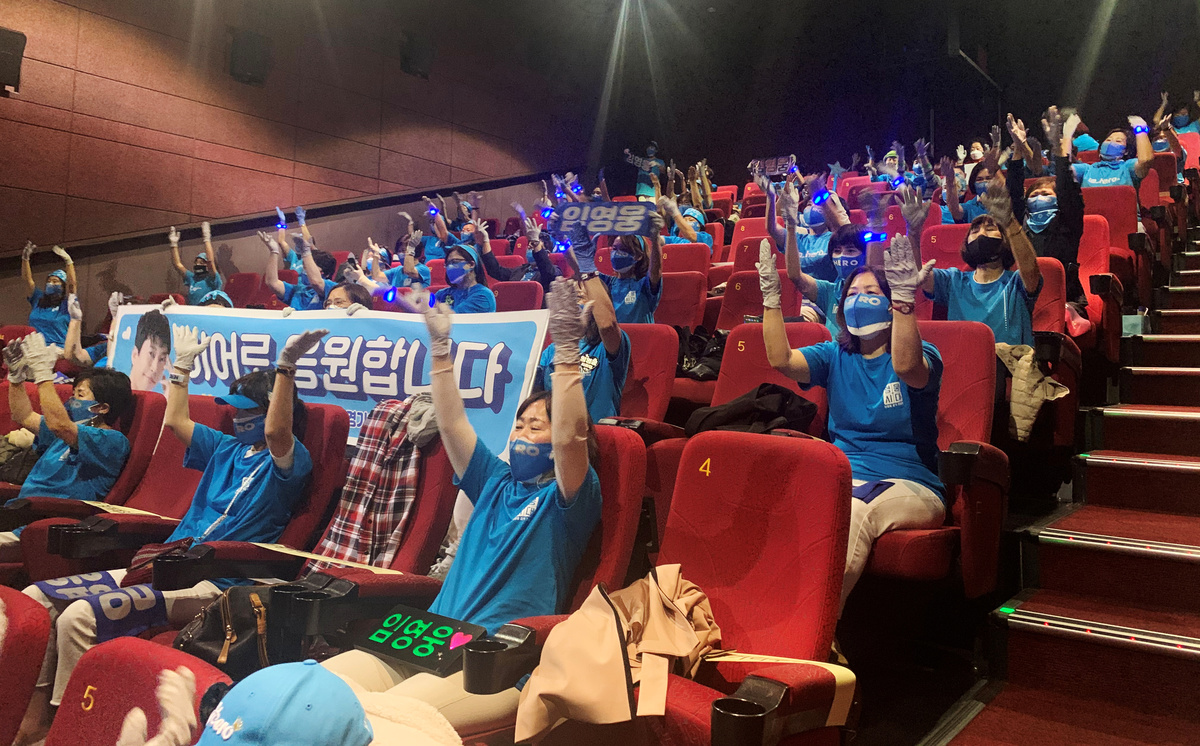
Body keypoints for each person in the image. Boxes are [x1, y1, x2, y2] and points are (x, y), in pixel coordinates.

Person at [15, 327, 324, 745]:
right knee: (37, 597)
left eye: (246, 410)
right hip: (163, 563)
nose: (236, 417)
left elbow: (275, 434)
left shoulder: (288, 461)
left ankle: (70, 728)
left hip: (215, 579)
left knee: (78, 618)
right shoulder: (226, 448)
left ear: (270, 410)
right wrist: (180, 369)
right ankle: (31, 718)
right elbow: (177, 420)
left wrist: (286, 368)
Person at [321, 279, 603, 733]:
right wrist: (440, 349)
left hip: (494, 658)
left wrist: (566, 352)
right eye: (519, 424)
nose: (520, 434)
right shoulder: (494, 479)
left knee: (380, 724)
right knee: (317, 692)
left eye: (536, 427)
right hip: (432, 637)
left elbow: (571, 437)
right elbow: (452, 422)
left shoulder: (569, 498)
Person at [758, 236, 945, 610]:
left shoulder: (922, 352)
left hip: (909, 481)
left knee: (854, 509)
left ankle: (815, 628)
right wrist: (771, 300)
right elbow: (781, 360)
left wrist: (905, 302)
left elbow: (907, 366)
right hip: (843, 473)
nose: (860, 299)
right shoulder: (834, 354)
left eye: (872, 292)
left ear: (890, 303)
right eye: (853, 293)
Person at [0, 334, 132, 562]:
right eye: (72, 394)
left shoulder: (112, 440)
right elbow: (24, 415)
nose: (71, 401)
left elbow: (59, 425)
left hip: (48, 525)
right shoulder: (67, 432)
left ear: (102, 408)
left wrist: (43, 375)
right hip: (17, 516)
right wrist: (16, 377)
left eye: (80, 395)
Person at [924, 175, 1043, 348]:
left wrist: (1009, 222)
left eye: (990, 229)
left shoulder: (1016, 282)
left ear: (1004, 240)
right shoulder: (954, 280)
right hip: (965, 360)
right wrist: (913, 232)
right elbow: (920, 277)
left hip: (1010, 362)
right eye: (975, 231)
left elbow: (1030, 268)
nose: (981, 234)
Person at [536, 231, 630, 421]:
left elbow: (607, 325)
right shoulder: (553, 349)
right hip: (555, 429)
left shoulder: (607, 345)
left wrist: (586, 265)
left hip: (595, 430)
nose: (575, 303)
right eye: (572, 298)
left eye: (581, 297)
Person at [1007, 108, 1088, 309]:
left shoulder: (1068, 222)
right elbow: (1013, 196)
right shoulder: (1021, 226)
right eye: (1034, 195)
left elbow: (1067, 190)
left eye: (1045, 194)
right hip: (1024, 299)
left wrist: (1057, 148)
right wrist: (1018, 149)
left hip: (1066, 299)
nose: (1039, 197)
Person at [767, 175, 839, 282]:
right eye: (809, 204)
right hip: (800, 290)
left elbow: (839, 227)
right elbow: (772, 228)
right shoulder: (796, 239)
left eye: (817, 204)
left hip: (826, 290)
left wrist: (820, 194)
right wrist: (773, 197)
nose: (812, 208)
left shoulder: (833, 238)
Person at [599, 210, 664, 324]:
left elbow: (656, 271)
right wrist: (565, 241)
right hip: (616, 335)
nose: (616, 254)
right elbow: (581, 270)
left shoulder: (644, 285)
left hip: (641, 335)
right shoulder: (608, 282)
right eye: (614, 249)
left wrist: (654, 239)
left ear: (638, 256)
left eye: (623, 249)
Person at [259, 230, 337, 310]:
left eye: (307, 268)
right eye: (304, 267)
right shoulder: (297, 290)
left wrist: (306, 252)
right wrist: (274, 252)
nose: (303, 270)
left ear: (325, 273)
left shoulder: (333, 288)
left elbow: (316, 282)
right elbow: (272, 282)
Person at [1071, 114, 1154, 188]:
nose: (1111, 143)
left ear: (1126, 151)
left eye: (1118, 141)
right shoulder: (1087, 169)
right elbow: (1064, 168)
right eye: (1108, 140)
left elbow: (1145, 160)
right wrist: (1067, 135)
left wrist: (1141, 130)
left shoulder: (1128, 167)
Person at [21, 242, 76, 347]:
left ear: (63, 286)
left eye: (55, 281)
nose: (51, 284)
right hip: (34, 348)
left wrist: (68, 261)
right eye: (49, 281)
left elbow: (72, 285)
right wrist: (25, 259)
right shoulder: (38, 299)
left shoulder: (67, 304)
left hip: (57, 349)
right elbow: (27, 280)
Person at [169, 223, 223, 305]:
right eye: (196, 262)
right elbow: (178, 265)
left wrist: (206, 238)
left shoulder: (212, 279)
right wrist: (173, 245)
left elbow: (210, 261)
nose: (198, 264)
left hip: (208, 310)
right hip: (193, 310)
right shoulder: (192, 278)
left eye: (201, 262)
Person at [435, 244, 497, 314]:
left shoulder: (483, 295)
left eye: (455, 262)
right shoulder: (442, 293)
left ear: (471, 264)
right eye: (448, 263)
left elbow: (455, 318)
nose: (450, 266)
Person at [128, 308, 172, 392]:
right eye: (151, 354)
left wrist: (172, 399)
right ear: (135, 355)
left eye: (162, 359)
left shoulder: (163, 399)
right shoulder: (114, 394)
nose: (155, 368)